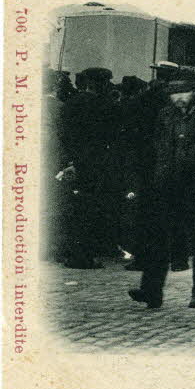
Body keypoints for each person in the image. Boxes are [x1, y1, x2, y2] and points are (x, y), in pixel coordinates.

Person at [128, 79, 195, 309]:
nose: (179, 97)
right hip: (167, 187)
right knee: (158, 240)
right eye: (174, 93)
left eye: (184, 92)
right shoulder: (164, 116)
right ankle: (151, 291)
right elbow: (157, 150)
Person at [57, 67, 125, 268]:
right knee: (92, 210)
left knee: (75, 208)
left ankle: (72, 253)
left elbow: (65, 134)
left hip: (74, 162)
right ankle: (85, 256)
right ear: (101, 84)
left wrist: (70, 160)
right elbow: (114, 134)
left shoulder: (72, 103)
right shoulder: (105, 105)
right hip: (97, 164)